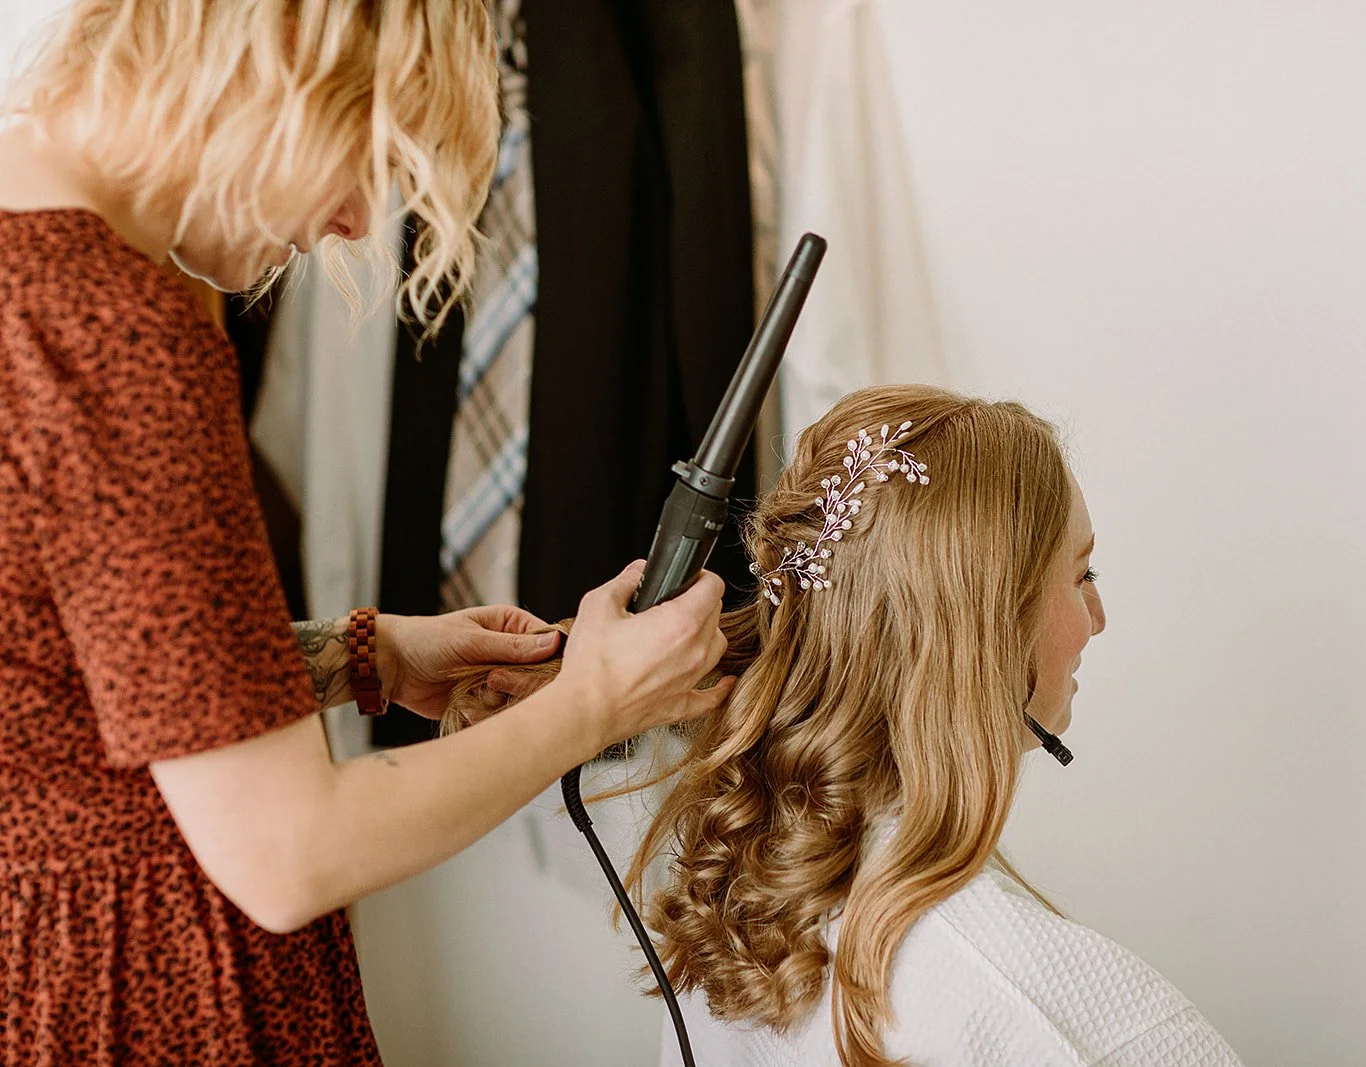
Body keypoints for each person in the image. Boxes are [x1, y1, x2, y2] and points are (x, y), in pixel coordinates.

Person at [0, 2, 733, 1062]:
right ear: (288, 57)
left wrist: (364, 655)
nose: (354, 221)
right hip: (144, 1002)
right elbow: (287, 850)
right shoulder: (116, 334)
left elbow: (56, 686)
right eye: (370, 150)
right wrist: (595, 703)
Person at [448, 384, 1245, 1067]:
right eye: (1082, 574)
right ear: (979, 629)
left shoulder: (747, 901)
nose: (1097, 618)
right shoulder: (1038, 1002)